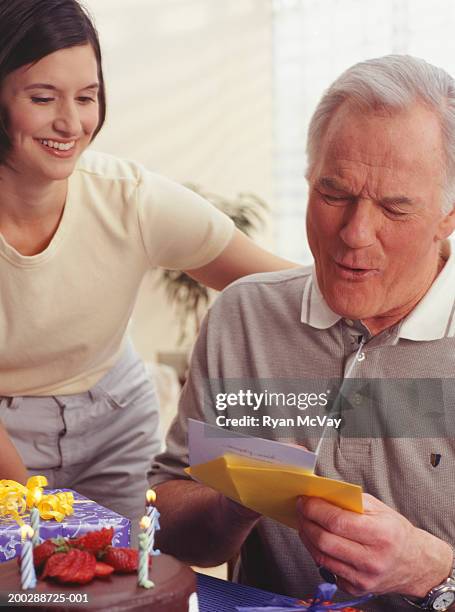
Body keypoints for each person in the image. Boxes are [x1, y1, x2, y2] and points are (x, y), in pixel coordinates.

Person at [149, 54, 455, 612]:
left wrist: (432, 572)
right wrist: (232, 503)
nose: (356, 234)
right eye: (334, 194)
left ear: (448, 215)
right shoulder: (245, 316)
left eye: (394, 208)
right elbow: (162, 521)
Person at [0, 0, 295, 521]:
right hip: (9, 436)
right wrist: (34, 516)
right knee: (32, 589)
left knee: (136, 582)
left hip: (116, 421)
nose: (71, 123)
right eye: (43, 98)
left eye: (87, 97)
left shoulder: (129, 198)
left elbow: (284, 287)